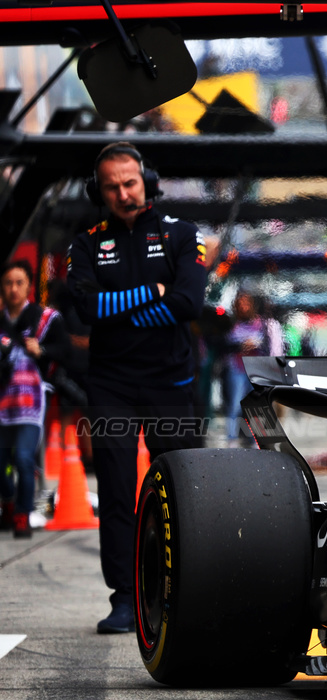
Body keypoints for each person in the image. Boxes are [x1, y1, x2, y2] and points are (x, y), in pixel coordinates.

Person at [67, 142, 207, 634]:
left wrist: (119, 309)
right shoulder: (85, 243)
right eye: (112, 186)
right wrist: (153, 293)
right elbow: (84, 309)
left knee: (183, 486)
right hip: (110, 383)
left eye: (130, 182)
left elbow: (190, 302)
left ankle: (188, 587)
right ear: (98, 191)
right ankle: (125, 596)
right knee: (117, 485)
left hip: (170, 380)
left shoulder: (182, 235)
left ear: (146, 179)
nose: (123, 193)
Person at [0, 261, 70, 538]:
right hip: (2, 405)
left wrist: (41, 350)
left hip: (30, 405)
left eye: (19, 282)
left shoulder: (45, 318)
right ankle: (9, 500)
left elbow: (65, 352)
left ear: (29, 285)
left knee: (25, 458)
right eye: (8, 283)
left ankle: (21, 515)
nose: (14, 289)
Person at [223, 290, 282, 444]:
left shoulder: (262, 325)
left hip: (257, 370)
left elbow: (272, 347)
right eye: (240, 304)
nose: (243, 307)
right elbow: (224, 345)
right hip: (237, 369)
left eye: (246, 303)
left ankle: (255, 438)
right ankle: (231, 438)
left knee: (257, 406)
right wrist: (240, 345)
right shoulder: (232, 325)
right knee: (235, 404)